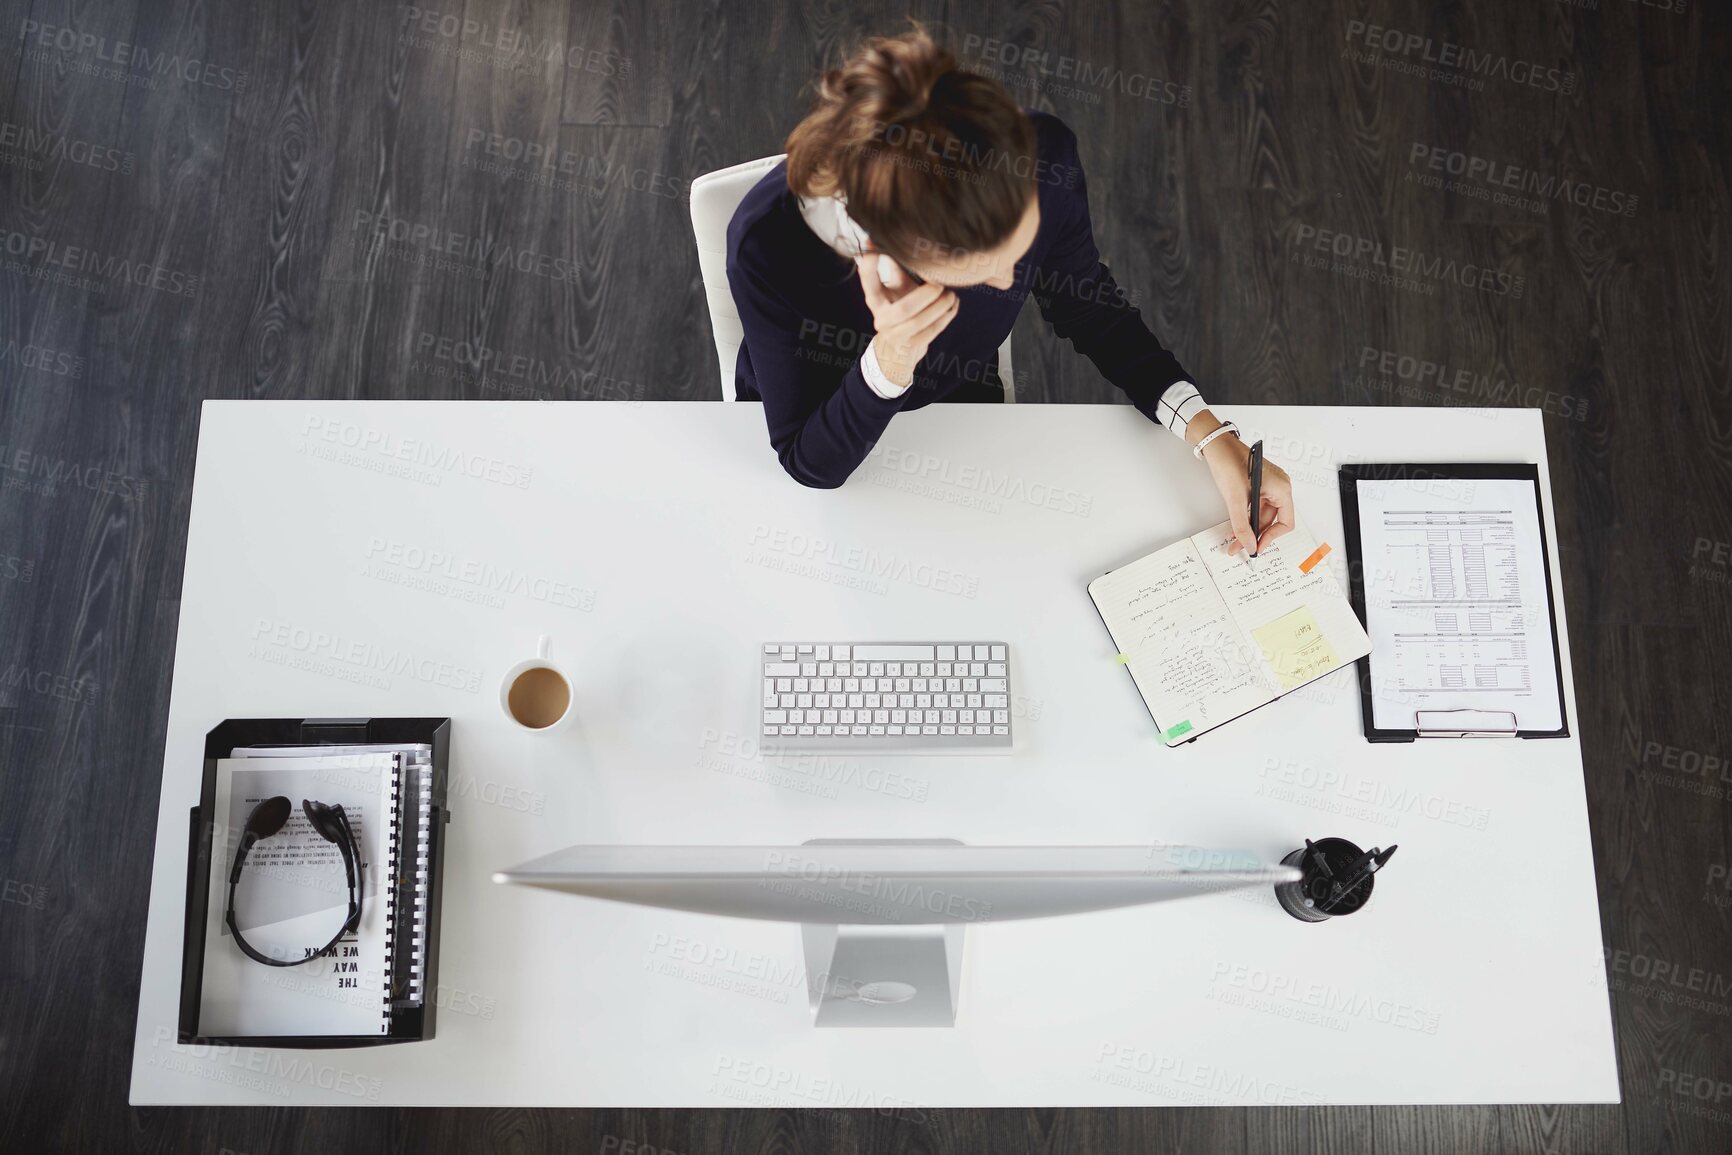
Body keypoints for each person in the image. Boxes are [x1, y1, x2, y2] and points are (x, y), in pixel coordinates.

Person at [726, 24, 1292, 556]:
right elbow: (810, 463)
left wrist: (1211, 435)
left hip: (965, 414)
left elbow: (1090, 308)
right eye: (983, 266)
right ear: (894, 253)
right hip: (821, 413)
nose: (1007, 284)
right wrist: (891, 359)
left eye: (1018, 251)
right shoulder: (767, 245)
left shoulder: (1044, 155)